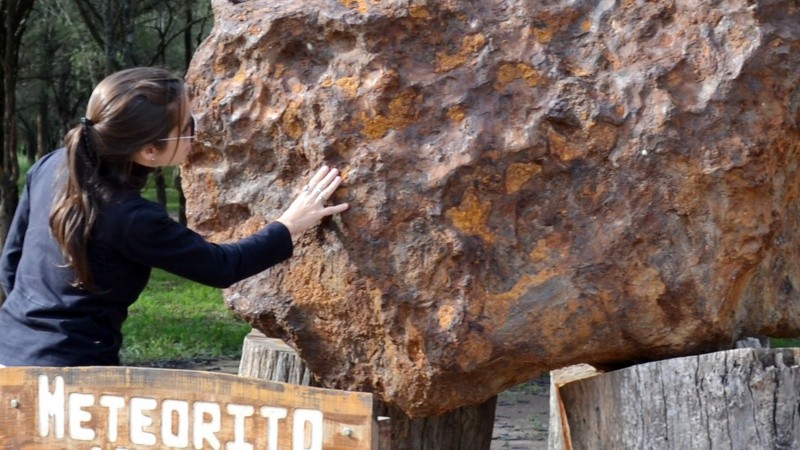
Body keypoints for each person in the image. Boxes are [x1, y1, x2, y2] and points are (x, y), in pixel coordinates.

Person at [0, 67, 348, 367]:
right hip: (70, 374)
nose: (195, 135)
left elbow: (10, 263)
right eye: (187, 126)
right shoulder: (133, 218)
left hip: (8, 352)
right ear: (149, 150)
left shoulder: (52, 165)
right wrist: (290, 224)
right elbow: (222, 266)